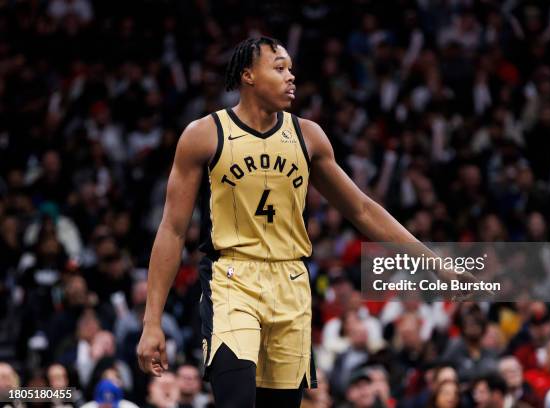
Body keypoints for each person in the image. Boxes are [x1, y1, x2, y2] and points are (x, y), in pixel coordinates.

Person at [136, 36, 472, 408]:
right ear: (247, 75)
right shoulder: (204, 135)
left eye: (291, 69)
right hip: (231, 280)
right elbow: (172, 229)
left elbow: (362, 209)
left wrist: (436, 264)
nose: (290, 77)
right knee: (238, 399)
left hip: (291, 283)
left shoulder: (307, 136)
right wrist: (152, 322)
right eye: (279, 68)